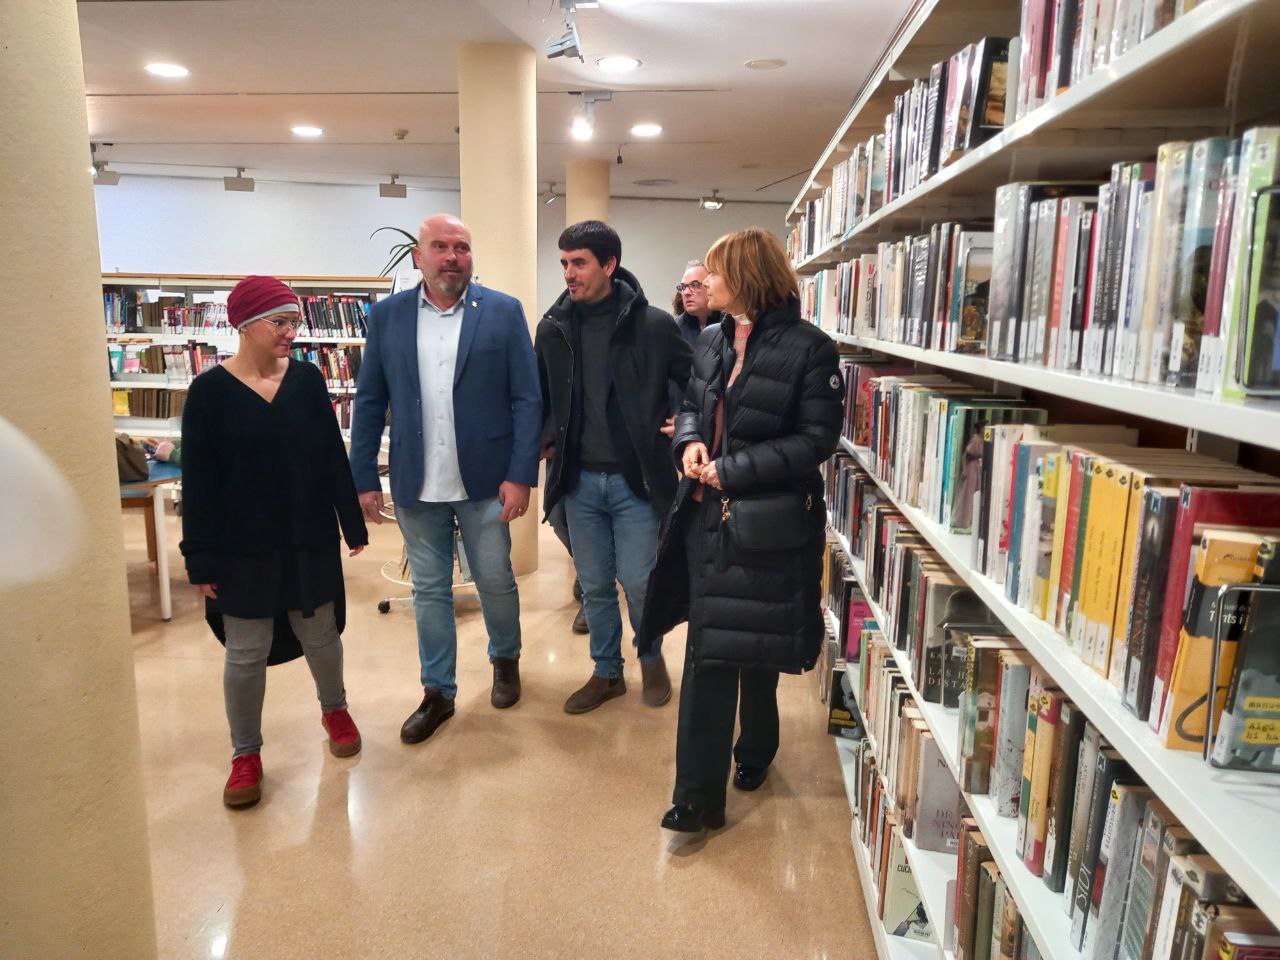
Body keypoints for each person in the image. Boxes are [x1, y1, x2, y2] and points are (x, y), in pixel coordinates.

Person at [638, 227, 843, 832]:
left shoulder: (811, 349)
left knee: (755, 644)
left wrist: (731, 470)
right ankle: (697, 797)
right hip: (705, 512)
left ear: (747, 277)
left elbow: (816, 440)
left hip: (768, 523)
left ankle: (756, 749)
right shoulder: (708, 340)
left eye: (717, 273)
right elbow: (694, 408)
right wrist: (691, 443)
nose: (704, 283)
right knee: (709, 645)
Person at [349, 213, 541, 745]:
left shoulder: (502, 313)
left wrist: (520, 474)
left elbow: (527, 399)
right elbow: (369, 402)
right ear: (418, 256)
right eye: (440, 246)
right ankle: (438, 692)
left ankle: (505, 658)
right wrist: (363, 475)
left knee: (495, 581)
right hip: (417, 482)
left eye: (461, 247)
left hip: (484, 481)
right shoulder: (386, 317)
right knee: (430, 590)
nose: (452, 256)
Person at [179, 275, 369, 809]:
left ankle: (335, 708)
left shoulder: (307, 380)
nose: (292, 332)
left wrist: (350, 523)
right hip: (242, 547)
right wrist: (200, 557)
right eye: (281, 322)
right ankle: (246, 753)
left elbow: (332, 454)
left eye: (295, 322)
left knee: (321, 632)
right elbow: (200, 482)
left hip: (307, 535)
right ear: (246, 325)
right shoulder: (210, 394)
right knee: (245, 650)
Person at [536, 220, 693, 714]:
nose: (569, 273)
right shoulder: (553, 329)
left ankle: (649, 656)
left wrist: (682, 420)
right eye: (563, 263)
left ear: (609, 264)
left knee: (640, 578)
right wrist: (543, 438)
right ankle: (606, 673)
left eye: (579, 262)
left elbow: (696, 383)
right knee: (595, 583)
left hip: (636, 482)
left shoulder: (654, 325)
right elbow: (540, 396)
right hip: (578, 480)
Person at [666, 260, 724, 417]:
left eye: (695, 285)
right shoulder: (672, 331)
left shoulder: (729, 327)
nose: (686, 292)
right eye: (683, 287)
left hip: (719, 423)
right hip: (680, 424)